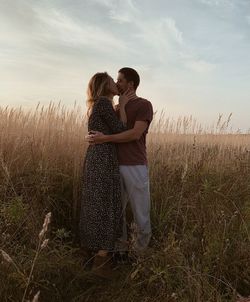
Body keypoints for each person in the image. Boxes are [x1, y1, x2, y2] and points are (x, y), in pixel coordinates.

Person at [86, 67, 153, 256]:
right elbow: (99, 127)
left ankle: (140, 254)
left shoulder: (143, 105)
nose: (116, 83)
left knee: (141, 211)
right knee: (117, 212)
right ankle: (121, 252)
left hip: (135, 165)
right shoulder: (114, 107)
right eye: (115, 80)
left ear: (131, 84)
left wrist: (104, 139)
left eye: (120, 81)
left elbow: (134, 134)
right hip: (113, 166)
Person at [79, 72, 134, 278]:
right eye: (112, 80)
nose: (115, 83)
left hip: (97, 157)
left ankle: (89, 253)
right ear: (105, 85)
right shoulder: (103, 103)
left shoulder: (99, 105)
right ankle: (101, 261)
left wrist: (118, 107)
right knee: (105, 203)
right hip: (103, 158)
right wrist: (125, 106)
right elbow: (123, 129)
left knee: (95, 203)